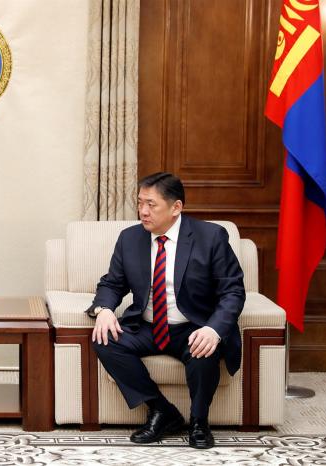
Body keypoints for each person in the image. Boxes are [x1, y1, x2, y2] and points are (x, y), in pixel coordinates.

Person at [88, 172, 245, 449]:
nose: (143, 211)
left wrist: (213, 329)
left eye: (151, 204)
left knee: (204, 350)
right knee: (105, 340)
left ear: (176, 207)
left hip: (194, 325)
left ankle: (199, 422)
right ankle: (161, 411)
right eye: (140, 203)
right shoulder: (130, 238)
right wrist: (104, 309)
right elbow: (112, 283)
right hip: (148, 326)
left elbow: (233, 291)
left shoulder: (210, 237)